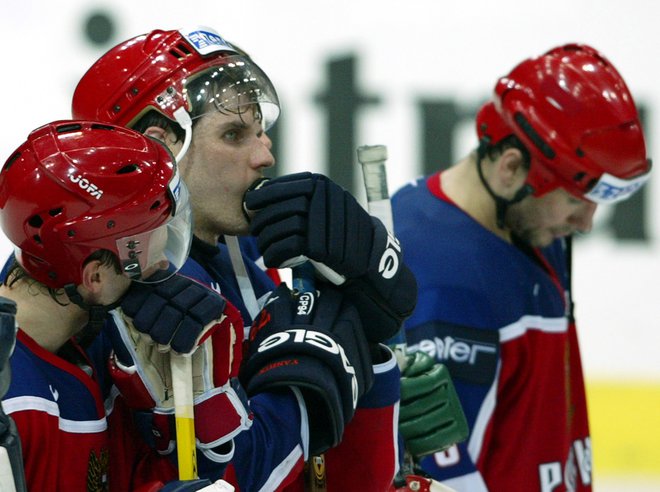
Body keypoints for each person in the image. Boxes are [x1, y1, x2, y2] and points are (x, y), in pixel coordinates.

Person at [71, 26, 416, 490]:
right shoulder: (130, 286)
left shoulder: (248, 253)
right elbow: (220, 480)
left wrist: (369, 349)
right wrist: (305, 396)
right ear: (159, 148)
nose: (265, 155)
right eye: (234, 134)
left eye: (262, 132)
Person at [391, 43, 651, 491]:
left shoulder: (526, 222)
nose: (586, 224)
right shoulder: (439, 279)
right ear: (512, 167)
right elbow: (440, 479)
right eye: (575, 200)